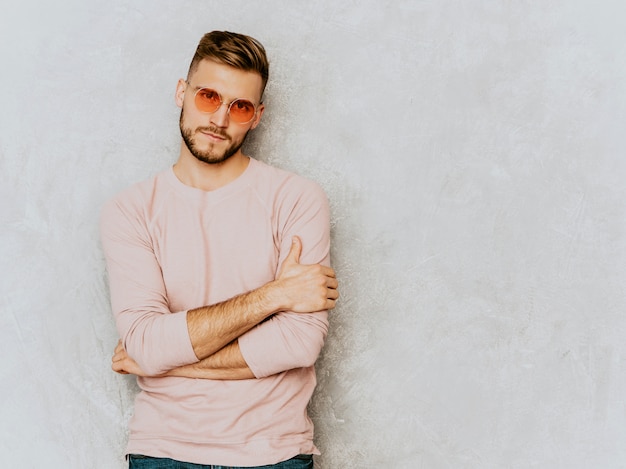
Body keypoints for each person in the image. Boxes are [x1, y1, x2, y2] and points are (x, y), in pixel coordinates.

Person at [100, 30, 338, 469]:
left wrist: (163, 361)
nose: (220, 119)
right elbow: (146, 341)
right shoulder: (130, 210)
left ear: (258, 115)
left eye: (240, 106)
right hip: (164, 452)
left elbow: (299, 343)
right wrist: (274, 295)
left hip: (275, 452)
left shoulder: (298, 199)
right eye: (208, 96)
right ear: (181, 92)